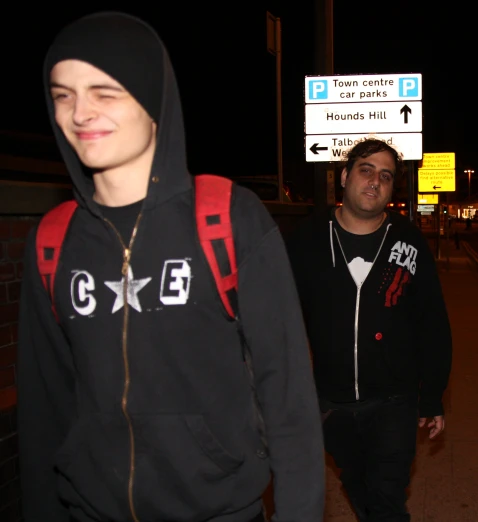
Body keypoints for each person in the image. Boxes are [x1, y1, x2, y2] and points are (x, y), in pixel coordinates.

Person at [17, 12, 324, 522]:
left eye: (105, 91)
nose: (80, 113)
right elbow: (44, 414)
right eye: (63, 94)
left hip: (220, 511)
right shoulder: (52, 242)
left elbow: (287, 399)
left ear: (153, 99)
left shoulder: (229, 217)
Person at [285, 138, 452, 522]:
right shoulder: (307, 238)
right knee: (356, 481)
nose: (375, 181)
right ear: (344, 177)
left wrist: (432, 396)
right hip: (332, 401)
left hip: (394, 399)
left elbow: (433, 322)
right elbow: (281, 319)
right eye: (366, 170)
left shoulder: (408, 240)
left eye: (386, 176)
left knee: (388, 495)